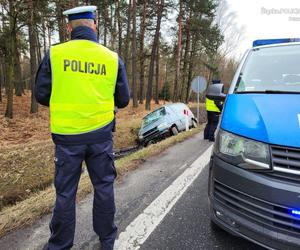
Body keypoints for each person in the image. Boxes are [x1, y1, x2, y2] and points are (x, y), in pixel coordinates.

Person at [35, 6, 130, 250]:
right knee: (104, 188)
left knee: (66, 194)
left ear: (69, 28)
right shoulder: (111, 57)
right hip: (100, 137)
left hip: (67, 139)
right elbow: (123, 100)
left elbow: (41, 95)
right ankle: (107, 240)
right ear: (94, 25)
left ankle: (59, 245)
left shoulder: (55, 54)